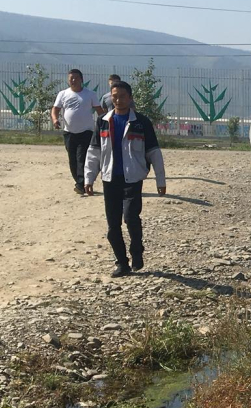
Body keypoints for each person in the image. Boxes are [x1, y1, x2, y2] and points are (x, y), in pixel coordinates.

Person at [83, 80, 167, 277]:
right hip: (110, 179)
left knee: (131, 217)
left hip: (133, 179)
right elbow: (94, 152)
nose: (118, 100)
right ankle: (122, 263)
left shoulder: (141, 122)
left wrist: (160, 180)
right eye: (114, 97)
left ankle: (137, 252)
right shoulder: (103, 121)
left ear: (130, 98)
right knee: (113, 225)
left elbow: (154, 152)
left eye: (122, 96)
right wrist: (89, 178)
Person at [51, 69, 102, 196]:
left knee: (82, 157)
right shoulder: (63, 94)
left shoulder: (90, 94)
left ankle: (81, 184)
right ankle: (80, 183)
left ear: (81, 79)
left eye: (76, 78)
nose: (73, 80)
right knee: (72, 159)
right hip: (69, 132)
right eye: (71, 78)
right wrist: (55, 119)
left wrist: (105, 123)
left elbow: (99, 111)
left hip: (86, 132)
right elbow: (55, 109)